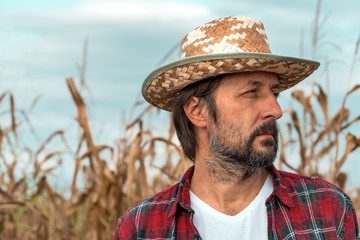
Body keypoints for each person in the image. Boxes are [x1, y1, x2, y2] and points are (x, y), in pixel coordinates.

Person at [114, 15, 359, 240]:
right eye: (251, 92)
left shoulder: (329, 210)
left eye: (274, 92)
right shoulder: (140, 228)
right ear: (197, 111)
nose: (275, 110)